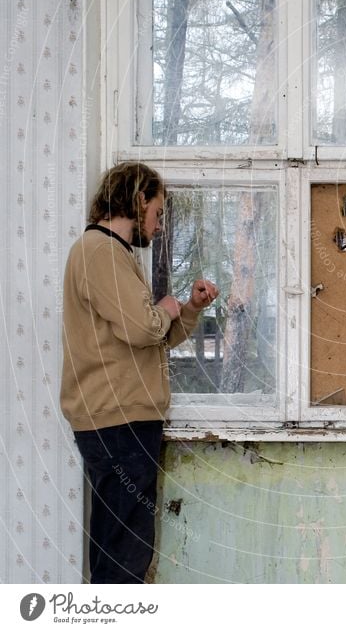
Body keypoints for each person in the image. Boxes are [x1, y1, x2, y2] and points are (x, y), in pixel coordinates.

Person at [60, 162, 219, 583]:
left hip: (123, 421)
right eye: (158, 211)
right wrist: (163, 310)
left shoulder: (113, 254)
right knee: (124, 554)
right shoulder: (101, 251)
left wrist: (188, 310)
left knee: (122, 547)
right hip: (118, 424)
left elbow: (153, 340)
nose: (160, 224)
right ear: (138, 199)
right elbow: (141, 327)